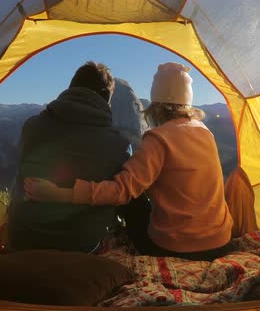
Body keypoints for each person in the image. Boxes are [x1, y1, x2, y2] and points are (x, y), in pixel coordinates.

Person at [25, 62, 234, 261]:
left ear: (156, 106)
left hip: (177, 248)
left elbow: (121, 191)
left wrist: (61, 194)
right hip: (221, 241)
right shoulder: (204, 132)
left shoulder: (159, 139)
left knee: (132, 196)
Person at [7, 61, 136, 253]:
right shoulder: (120, 146)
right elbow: (125, 198)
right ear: (107, 100)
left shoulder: (32, 127)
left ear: (70, 89)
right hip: (83, 246)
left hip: (22, 240)